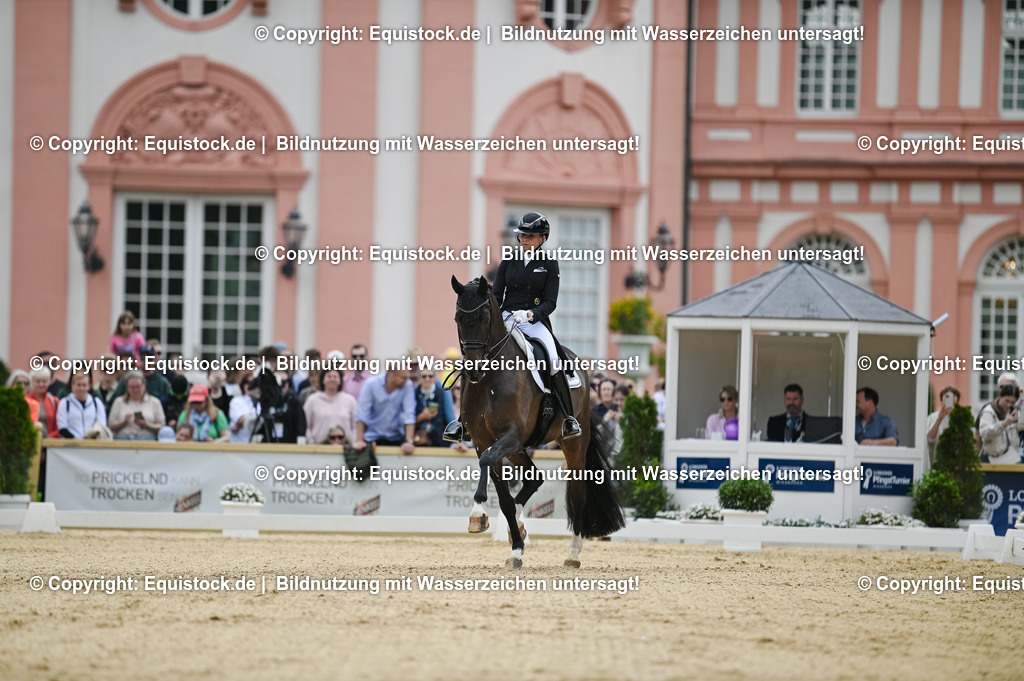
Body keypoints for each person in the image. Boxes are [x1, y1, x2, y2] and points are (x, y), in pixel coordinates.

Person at [444, 211, 581, 442]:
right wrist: (499, 313)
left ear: (542, 238)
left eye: (530, 236)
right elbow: (497, 294)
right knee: (476, 357)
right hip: (507, 317)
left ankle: (568, 418)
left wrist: (530, 314)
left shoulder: (549, 264)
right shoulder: (509, 261)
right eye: (522, 236)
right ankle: (462, 422)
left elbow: (551, 302)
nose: (524, 240)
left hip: (534, 322)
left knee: (554, 360)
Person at [354, 367, 417, 455]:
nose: (406, 380)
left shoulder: (408, 385)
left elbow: (409, 415)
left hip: (396, 438)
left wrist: (409, 442)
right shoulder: (371, 384)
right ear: (391, 376)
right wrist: (359, 441)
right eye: (403, 377)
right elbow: (362, 414)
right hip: (371, 438)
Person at [304, 368, 358, 446]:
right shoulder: (312, 400)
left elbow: (355, 427)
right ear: (322, 380)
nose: (332, 379)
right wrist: (311, 443)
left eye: (335, 377)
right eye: (329, 376)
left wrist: (353, 442)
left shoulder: (350, 401)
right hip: (318, 448)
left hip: (345, 448)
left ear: (340, 380)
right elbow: (307, 426)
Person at [108, 370, 164, 441]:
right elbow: (111, 426)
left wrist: (147, 425)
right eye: (132, 387)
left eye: (138, 387)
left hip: (147, 439)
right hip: (123, 439)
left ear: (144, 385)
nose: (135, 390)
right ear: (127, 387)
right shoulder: (118, 402)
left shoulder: (155, 402)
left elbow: (161, 426)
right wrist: (124, 421)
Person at [57, 371, 108, 439]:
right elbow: (62, 426)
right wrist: (75, 439)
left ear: (89, 386)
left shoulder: (96, 403)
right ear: (73, 385)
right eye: (78, 385)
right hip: (71, 445)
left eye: (84, 385)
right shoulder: (65, 403)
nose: (81, 388)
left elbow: (101, 424)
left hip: (92, 444)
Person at [978, 384, 1021, 464]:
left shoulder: (1014, 412)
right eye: (1007, 401)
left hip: (1012, 459)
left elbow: (1021, 426)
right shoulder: (988, 412)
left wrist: (1022, 400)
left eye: (1012, 402)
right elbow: (985, 434)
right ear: (1000, 397)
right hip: (991, 460)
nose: (1009, 405)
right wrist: (1004, 423)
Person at [413, 368, 456, 447]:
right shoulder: (414, 393)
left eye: (430, 376)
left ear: (435, 378)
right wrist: (422, 416)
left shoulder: (444, 393)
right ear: (419, 378)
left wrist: (456, 442)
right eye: (424, 376)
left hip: (440, 441)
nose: (427, 379)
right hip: (419, 440)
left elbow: (451, 420)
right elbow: (408, 420)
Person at [926, 385, 961, 465]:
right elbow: (930, 439)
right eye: (947, 397)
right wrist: (939, 419)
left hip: (956, 464)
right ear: (941, 400)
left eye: (952, 398)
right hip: (936, 462)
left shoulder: (960, 418)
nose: (950, 401)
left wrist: (954, 417)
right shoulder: (933, 417)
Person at [26, 367, 61, 437]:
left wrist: (50, 437)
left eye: (44, 381)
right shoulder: (25, 400)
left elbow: (59, 426)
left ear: (49, 382)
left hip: (49, 443)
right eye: (38, 381)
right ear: (32, 383)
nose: (41, 384)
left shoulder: (54, 401)